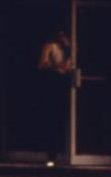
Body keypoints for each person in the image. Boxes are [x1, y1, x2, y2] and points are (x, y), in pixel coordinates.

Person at [37, 30, 76, 167]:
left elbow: (71, 64)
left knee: (62, 120)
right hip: (53, 82)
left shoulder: (69, 47)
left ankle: (63, 154)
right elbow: (42, 63)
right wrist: (57, 66)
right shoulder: (50, 45)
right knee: (52, 119)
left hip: (64, 84)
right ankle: (52, 155)